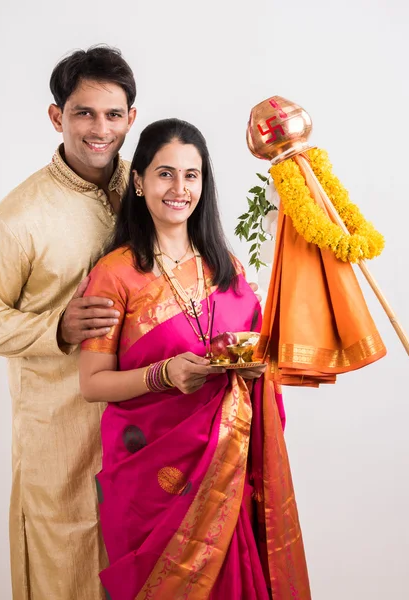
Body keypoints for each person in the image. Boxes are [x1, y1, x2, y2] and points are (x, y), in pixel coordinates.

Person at [79, 118, 311, 599]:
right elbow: (93, 383)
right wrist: (165, 375)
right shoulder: (114, 274)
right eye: (165, 174)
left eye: (192, 175)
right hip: (149, 475)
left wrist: (253, 368)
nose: (179, 188)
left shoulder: (225, 266)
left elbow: (259, 350)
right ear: (139, 182)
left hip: (225, 464)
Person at [0, 46, 136, 600]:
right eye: (83, 112)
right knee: (69, 565)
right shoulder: (19, 216)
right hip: (61, 433)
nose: (98, 128)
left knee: (144, 561)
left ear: (131, 117)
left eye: (112, 114)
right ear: (57, 117)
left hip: (143, 418)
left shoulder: (147, 188)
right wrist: (56, 327)